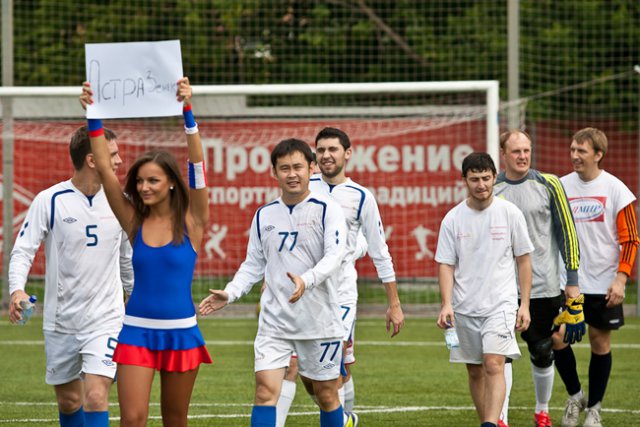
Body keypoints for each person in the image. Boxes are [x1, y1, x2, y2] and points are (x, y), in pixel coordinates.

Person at [80, 77, 213, 427]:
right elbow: (105, 170)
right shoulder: (133, 221)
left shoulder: (193, 221)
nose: (143, 187)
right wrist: (93, 113)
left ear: (171, 183)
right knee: (132, 419)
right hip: (136, 330)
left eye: (152, 180)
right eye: (139, 181)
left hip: (181, 332)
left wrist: (188, 112)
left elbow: (198, 170)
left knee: (175, 420)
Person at [199, 138, 357, 427]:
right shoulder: (264, 214)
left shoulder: (328, 209)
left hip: (320, 321)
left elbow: (335, 256)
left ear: (311, 168)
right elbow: (253, 263)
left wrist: (306, 280)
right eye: (284, 168)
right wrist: (231, 293)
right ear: (274, 172)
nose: (292, 174)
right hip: (275, 322)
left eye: (298, 167)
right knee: (264, 392)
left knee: (326, 395)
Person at [8, 125, 133, 427]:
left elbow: (127, 259)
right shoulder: (49, 200)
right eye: (113, 154)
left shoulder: (122, 201)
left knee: (96, 396)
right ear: (92, 159)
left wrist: (136, 297)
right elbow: (23, 250)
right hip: (61, 321)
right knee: (69, 401)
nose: (119, 161)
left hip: (106, 319)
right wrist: (16, 290)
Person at [435, 152, 533, 427]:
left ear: (494, 178)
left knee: (493, 364)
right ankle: (487, 421)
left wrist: (524, 304)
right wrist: (446, 303)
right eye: (475, 179)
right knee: (475, 371)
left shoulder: (510, 213)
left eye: (486, 178)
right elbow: (446, 264)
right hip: (464, 307)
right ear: (464, 180)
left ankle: (491, 423)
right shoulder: (453, 218)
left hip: (501, 305)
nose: (481, 185)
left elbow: (524, 260)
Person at [494, 130, 583, 427]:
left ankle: (541, 411)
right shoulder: (492, 189)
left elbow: (568, 232)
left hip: (544, 287)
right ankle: (501, 418)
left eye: (526, 150)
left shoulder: (549, 184)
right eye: (516, 151)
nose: (522, 156)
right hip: (503, 289)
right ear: (503, 154)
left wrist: (572, 281)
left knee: (543, 350)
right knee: (500, 355)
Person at [555, 127, 638, 427]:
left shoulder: (616, 189)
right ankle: (576, 396)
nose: (575, 155)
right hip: (568, 283)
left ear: (598, 154)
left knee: (599, 342)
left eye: (582, 151)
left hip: (604, 283)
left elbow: (631, 239)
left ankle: (594, 409)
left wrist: (621, 279)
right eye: (572, 149)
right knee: (556, 338)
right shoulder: (560, 187)